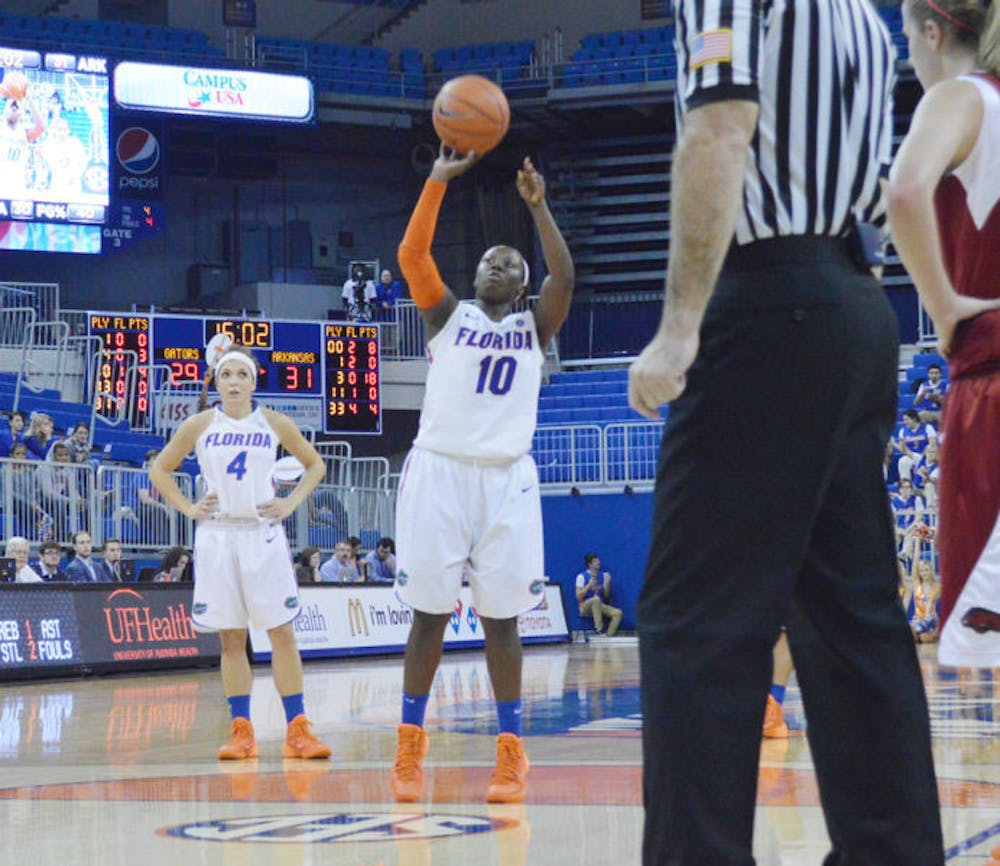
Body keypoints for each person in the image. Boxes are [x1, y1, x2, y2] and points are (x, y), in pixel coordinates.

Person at [626, 2, 944, 862]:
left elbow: (720, 130)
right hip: (853, 302)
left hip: (765, 303)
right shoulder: (860, 17)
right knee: (854, 621)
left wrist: (681, 324)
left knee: (696, 626)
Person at [389, 146, 574, 805]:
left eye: (509, 260)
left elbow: (565, 275)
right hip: (439, 472)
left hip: (506, 481)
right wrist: (436, 177)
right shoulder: (449, 317)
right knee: (429, 616)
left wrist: (538, 206)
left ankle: (511, 752)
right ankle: (410, 744)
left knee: (502, 622)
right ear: (475, 277)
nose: (497, 263)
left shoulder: (534, 326)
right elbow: (414, 256)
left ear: (521, 282)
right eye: (488, 260)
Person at [148, 343, 331, 761]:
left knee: (282, 634)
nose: (234, 382)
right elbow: (160, 469)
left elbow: (315, 465)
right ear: (216, 380)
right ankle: (241, 731)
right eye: (226, 374)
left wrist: (289, 503)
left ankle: (298, 730)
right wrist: (189, 508)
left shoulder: (274, 422)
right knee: (232, 640)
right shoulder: (198, 424)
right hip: (216, 535)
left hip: (261, 535)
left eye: (242, 375)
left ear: (253, 381)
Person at [887, 0, 1000, 670]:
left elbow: (905, 192)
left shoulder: (961, 96)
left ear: (933, 33)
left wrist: (945, 304)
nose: (909, 55)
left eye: (907, 39)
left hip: (991, 386)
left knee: (985, 654)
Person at [574, 553, 623, 637]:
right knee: (596, 599)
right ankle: (599, 630)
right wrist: (589, 586)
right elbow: (578, 597)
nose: (598, 562)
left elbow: (606, 596)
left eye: (598, 560)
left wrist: (606, 584)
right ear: (590, 564)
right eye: (595, 561)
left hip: (599, 604)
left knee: (618, 613)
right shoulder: (581, 577)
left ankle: (607, 636)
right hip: (585, 606)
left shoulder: (603, 576)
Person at [910, 558, 941, 643]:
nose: (924, 573)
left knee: (924, 638)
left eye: (926, 570)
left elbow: (931, 602)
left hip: (930, 620)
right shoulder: (917, 585)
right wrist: (917, 544)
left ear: (931, 571)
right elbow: (914, 568)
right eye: (922, 571)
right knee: (912, 634)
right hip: (918, 619)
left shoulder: (937, 586)